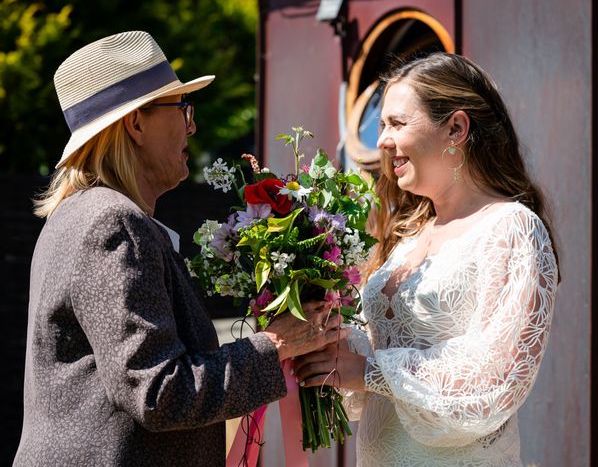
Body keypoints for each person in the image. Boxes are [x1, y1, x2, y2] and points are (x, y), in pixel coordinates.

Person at [13, 31, 346, 467]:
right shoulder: (112, 223)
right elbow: (159, 392)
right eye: (182, 108)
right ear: (135, 124)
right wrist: (275, 343)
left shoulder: (81, 216)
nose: (192, 125)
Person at [294, 52, 560, 466]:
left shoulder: (511, 229)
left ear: (455, 128)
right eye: (381, 126)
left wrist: (368, 371)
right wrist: (321, 330)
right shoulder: (406, 237)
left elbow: (497, 377)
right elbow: (379, 349)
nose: (381, 141)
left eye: (397, 124)